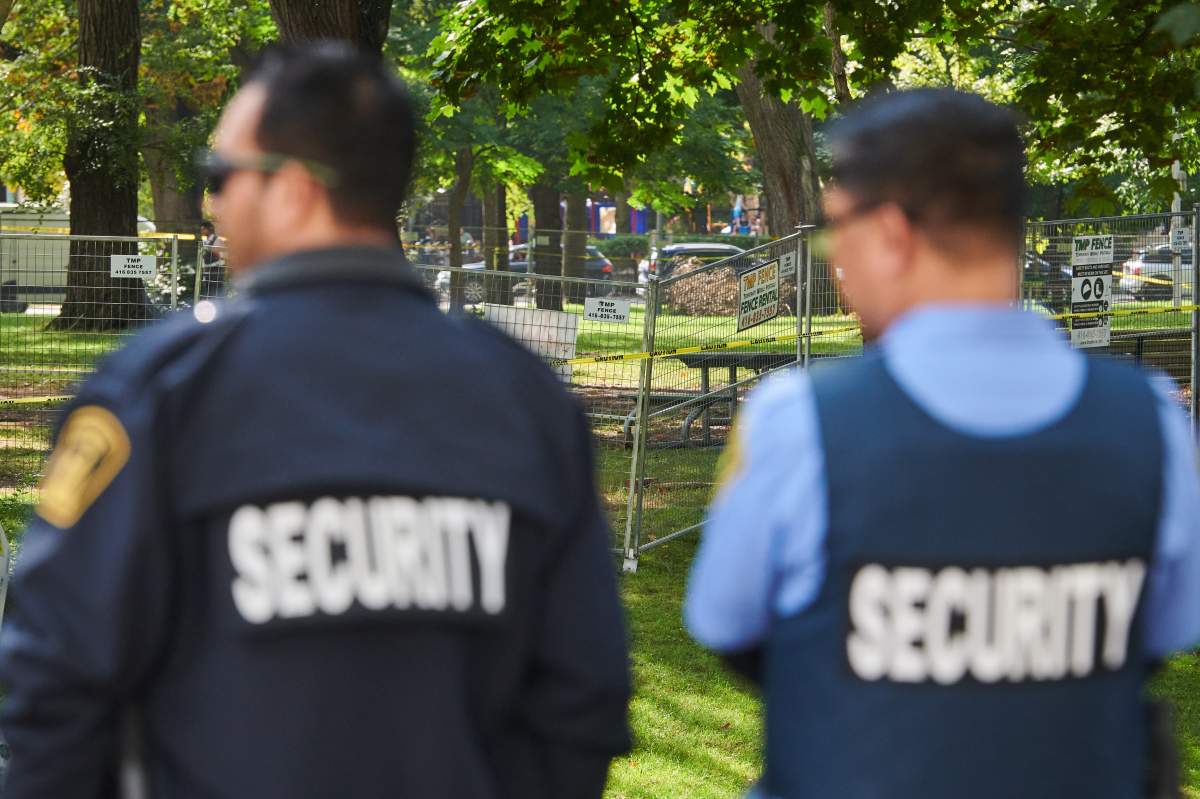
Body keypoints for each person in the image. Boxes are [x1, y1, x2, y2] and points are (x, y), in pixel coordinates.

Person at [0, 42, 631, 798]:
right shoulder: (528, 400)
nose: (212, 206)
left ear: (295, 191)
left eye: (221, 177)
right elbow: (582, 697)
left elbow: (54, 681)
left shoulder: (157, 392)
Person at [685, 88, 1200, 799]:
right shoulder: (1152, 423)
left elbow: (726, 620)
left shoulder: (798, 420)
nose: (837, 263)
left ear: (891, 234)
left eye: (837, 230)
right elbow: (1163, 633)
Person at [197, 219, 225, 298]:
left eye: (203, 229)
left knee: (216, 293)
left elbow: (222, 257)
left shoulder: (217, 240)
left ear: (208, 229)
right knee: (209, 293)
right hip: (208, 271)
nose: (201, 231)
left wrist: (211, 266)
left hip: (216, 271)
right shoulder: (206, 241)